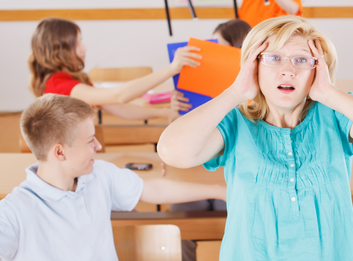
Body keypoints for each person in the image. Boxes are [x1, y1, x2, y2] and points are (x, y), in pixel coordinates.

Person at [157, 15, 353, 260]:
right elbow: (172, 151)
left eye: (302, 60)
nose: (288, 70)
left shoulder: (334, 116)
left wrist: (329, 93)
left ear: (318, 70)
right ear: (254, 66)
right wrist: (236, 92)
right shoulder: (236, 122)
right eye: (273, 58)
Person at [0, 94, 226, 260]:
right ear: (60, 152)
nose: (98, 145)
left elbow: (154, 189)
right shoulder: (12, 213)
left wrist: (219, 191)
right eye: (90, 141)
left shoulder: (98, 174)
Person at [28, 17, 199, 122]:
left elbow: (121, 108)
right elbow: (118, 96)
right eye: (78, 43)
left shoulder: (69, 80)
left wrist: (166, 114)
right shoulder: (59, 84)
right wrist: (171, 69)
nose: (84, 48)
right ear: (60, 50)